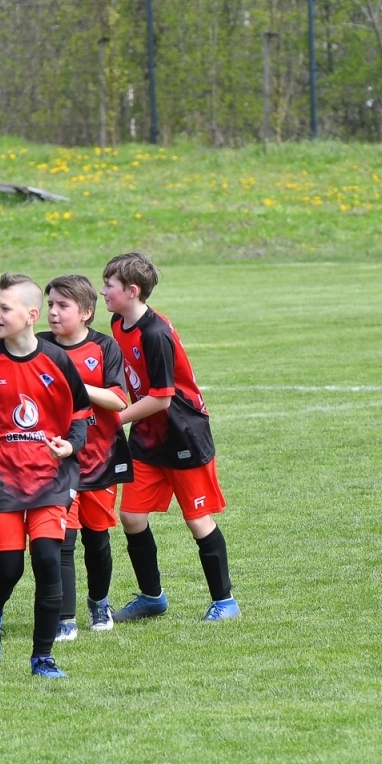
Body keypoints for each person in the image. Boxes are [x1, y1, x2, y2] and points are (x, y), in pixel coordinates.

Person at [0, 273, 91, 679]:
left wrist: (71, 444)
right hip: (0, 478)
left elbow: (82, 413)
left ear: (32, 315)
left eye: (4, 308)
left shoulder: (57, 360)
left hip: (50, 477)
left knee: (49, 560)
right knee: (10, 568)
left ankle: (43, 658)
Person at [102, 252, 239, 622]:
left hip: (183, 435)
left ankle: (224, 601)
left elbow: (162, 399)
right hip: (148, 436)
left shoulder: (156, 333)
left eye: (109, 286)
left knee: (197, 520)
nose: (103, 292)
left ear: (132, 291)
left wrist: (116, 419)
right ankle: (152, 597)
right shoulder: (119, 323)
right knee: (131, 516)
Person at [40, 274, 132, 638]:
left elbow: (117, 399)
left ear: (87, 312)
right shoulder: (39, 346)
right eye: (50, 305)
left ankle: (99, 602)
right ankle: (65, 618)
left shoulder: (104, 348)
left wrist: (79, 387)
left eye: (63, 306)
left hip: (100, 457)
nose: (54, 313)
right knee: (64, 539)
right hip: (58, 459)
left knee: (97, 539)